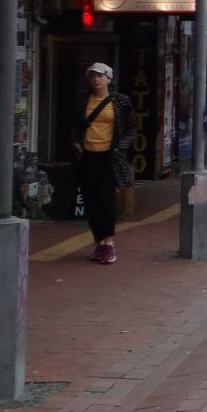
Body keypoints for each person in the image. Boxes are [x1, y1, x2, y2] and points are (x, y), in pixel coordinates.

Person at [74, 62, 136, 265]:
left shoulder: (121, 101)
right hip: (87, 156)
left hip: (109, 157)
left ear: (109, 78)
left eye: (100, 75)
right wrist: (75, 143)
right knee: (90, 201)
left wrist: (120, 147)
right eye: (92, 76)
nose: (96, 79)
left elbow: (131, 128)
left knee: (105, 199)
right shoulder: (83, 99)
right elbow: (74, 124)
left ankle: (109, 243)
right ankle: (99, 242)